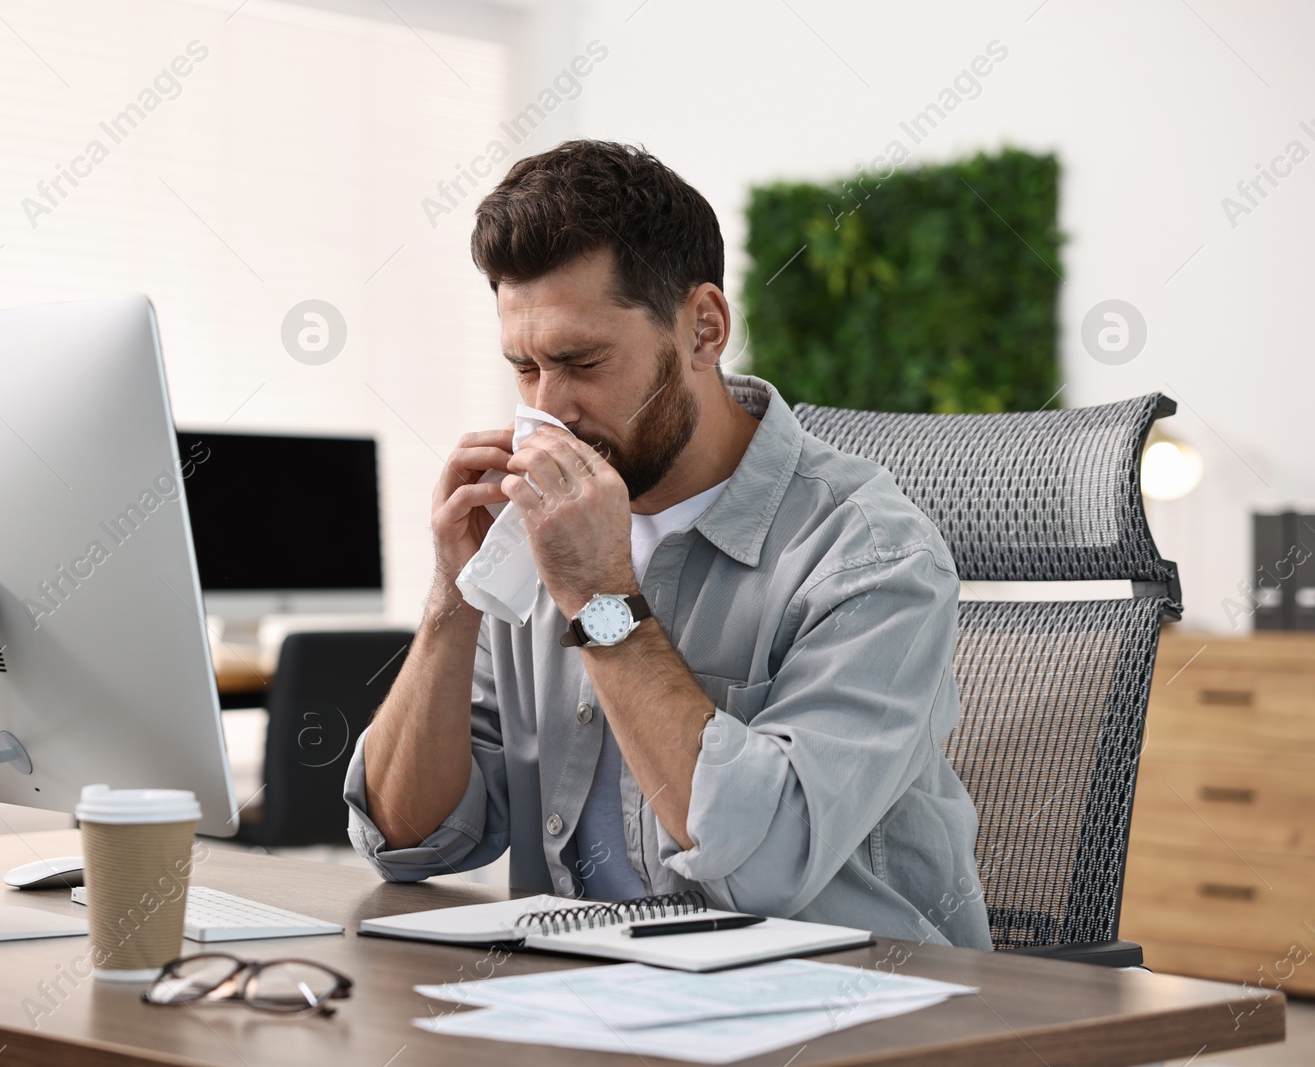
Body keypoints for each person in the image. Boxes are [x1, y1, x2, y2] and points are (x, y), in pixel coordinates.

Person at [343, 140, 992, 949]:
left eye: (582, 362)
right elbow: (409, 838)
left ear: (704, 329)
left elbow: (765, 864)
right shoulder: (534, 535)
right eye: (525, 369)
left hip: (850, 1017)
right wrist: (453, 595)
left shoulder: (869, 551)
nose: (550, 410)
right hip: (590, 1007)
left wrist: (600, 596)